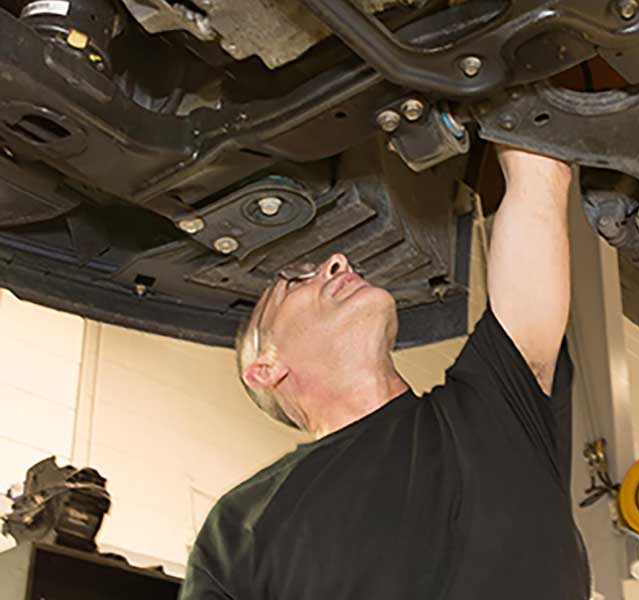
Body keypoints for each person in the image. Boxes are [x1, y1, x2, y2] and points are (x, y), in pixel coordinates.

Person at [180, 146, 590, 599]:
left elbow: (539, 181)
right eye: (294, 281)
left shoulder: (494, 411)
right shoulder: (242, 524)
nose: (339, 261)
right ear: (267, 367)